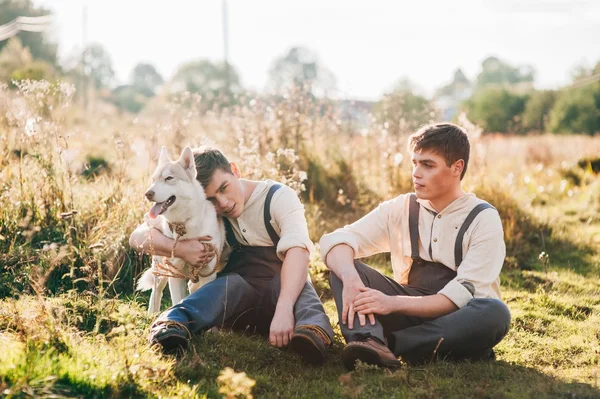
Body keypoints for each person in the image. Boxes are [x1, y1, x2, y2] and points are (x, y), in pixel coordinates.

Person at [320, 123, 511, 370]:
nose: (416, 173)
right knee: (344, 267)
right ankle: (368, 341)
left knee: (495, 313)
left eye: (428, 165)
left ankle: (390, 345)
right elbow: (336, 240)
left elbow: (459, 297)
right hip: (408, 309)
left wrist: (391, 303)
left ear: (457, 168)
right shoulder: (401, 208)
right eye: (415, 163)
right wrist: (350, 278)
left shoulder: (483, 218)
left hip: (458, 316)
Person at [129, 147, 334, 365]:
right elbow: (137, 237)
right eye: (213, 199)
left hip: (284, 294)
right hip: (241, 300)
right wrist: (178, 249)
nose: (223, 203)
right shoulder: (207, 211)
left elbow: (299, 253)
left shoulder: (278, 198)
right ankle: (173, 324)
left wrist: (284, 308)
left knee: (297, 284)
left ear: (235, 170)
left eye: (224, 188)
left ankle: (313, 332)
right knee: (227, 285)